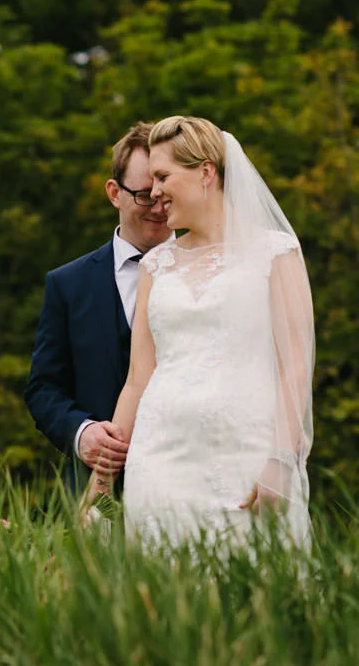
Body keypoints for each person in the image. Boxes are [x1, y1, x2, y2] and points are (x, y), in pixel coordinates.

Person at [88, 115, 314, 551]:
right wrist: (99, 487)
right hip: (161, 462)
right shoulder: (156, 265)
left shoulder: (276, 253)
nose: (153, 193)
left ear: (206, 172)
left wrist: (281, 459)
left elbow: (296, 362)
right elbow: (139, 378)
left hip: (247, 453)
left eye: (162, 176)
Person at [24, 123, 173, 493]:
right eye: (143, 195)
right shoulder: (68, 284)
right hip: (97, 488)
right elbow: (44, 388)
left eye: (164, 194)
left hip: (183, 481)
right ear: (114, 193)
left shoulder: (209, 276)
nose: (157, 207)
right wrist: (82, 432)